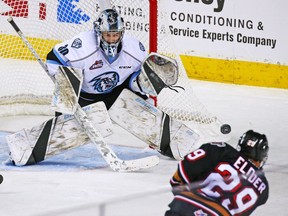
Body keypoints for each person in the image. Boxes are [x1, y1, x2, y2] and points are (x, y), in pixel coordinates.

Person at [46, 8, 149, 111]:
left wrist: (143, 84)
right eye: (108, 35)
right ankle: (63, 120)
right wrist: (66, 85)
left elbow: (143, 72)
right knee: (66, 77)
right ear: (99, 32)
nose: (112, 40)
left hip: (115, 96)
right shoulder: (84, 46)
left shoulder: (133, 48)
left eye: (116, 35)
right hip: (83, 97)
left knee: (143, 89)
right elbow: (53, 58)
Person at [165, 130, 269, 216]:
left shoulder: (222, 150)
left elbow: (183, 172)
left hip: (185, 206)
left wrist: (180, 191)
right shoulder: (263, 188)